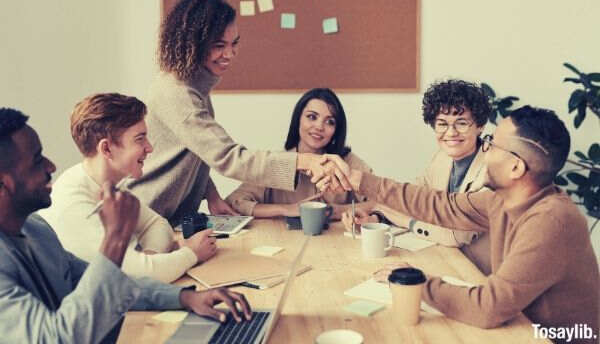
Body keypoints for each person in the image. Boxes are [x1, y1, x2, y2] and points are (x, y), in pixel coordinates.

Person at [329, 106, 599, 341]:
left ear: (516, 168)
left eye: (492, 144)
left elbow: (487, 308)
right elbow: (441, 205)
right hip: (519, 327)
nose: (485, 148)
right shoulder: (502, 201)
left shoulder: (551, 221)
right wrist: (361, 181)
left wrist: (413, 282)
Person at [0, 108, 251, 344]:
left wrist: (184, 297)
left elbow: (112, 283)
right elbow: (57, 339)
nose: (51, 166)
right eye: (36, 161)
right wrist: (116, 238)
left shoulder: (36, 229)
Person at [128, 0, 351, 226]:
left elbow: (198, 151)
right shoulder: (178, 93)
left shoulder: (193, 87)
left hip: (163, 219)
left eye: (234, 44)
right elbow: (228, 157)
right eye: (219, 46)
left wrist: (211, 195)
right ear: (193, 44)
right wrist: (303, 161)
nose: (230, 54)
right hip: (142, 217)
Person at [39, 94, 215, 283]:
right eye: (140, 139)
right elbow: (135, 277)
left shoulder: (106, 182)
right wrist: (191, 254)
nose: (149, 148)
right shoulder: (74, 204)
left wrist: (150, 257)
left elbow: (157, 224)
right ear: (106, 149)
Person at [342, 79, 493, 274]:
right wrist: (376, 218)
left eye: (461, 123)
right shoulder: (442, 158)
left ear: (479, 126)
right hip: (444, 261)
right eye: (442, 124)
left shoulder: (492, 168)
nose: (451, 132)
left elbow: (455, 235)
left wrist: (403, 219)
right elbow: (411, 200)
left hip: (479, 273)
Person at [225, 88, 373, 219]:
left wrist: (337, 211)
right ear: (298, 120)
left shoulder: (348, 162)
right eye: (312, 117)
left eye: (330, 122)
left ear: (336, 130)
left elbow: (382, 204)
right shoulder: (278, 163)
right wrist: (286, 209)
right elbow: (234, 202)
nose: (319, 127)